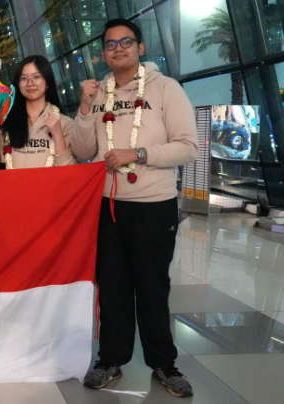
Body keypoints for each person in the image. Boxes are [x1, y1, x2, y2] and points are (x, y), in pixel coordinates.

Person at [71, 19, 199, 398]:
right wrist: (82, 107)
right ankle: (110, 358)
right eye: (110, 44)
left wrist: (138, 153)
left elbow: (189, 147)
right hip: (107, 206)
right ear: (103, 54)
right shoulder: (98, 94)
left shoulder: (165, 89)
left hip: (153, 207)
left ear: (140, 48)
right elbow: (81, 152)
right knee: (111, 288)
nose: (118, 48)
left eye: (126, 42)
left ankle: (164, 364)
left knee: (152, 286)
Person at [0, 55, 77, 168]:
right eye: (24, 78)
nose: (30, 83)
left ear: (48, 82)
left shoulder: (65, 123)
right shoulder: (6, 123)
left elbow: (71, 173)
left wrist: (58, 136)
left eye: (36, 77)